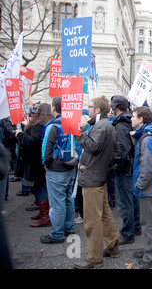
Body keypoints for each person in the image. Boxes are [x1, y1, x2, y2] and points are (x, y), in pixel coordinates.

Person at [73, 96, 120, 269]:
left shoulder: (101, 126)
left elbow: (92, 146)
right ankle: (113, 246)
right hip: (98, 175)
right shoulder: (105, 125)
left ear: (98, 110)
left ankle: (94, 258)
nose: (88, 109)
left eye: (90, 107)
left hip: (93, 177)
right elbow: (116, 152)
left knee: (92, 220)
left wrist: (77, 133)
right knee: (105, 213)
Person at [130, 106, 152, 269]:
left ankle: (151, 256)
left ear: (141, 119)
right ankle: (149, 250)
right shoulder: (147, 135)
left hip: (148, 187)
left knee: (149, 222)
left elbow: (148, 166)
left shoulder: (147, 138)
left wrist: (139, 185)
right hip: (149, 185)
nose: (131, 119)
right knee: (148, 221)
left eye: (133, 116)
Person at [40, 96, 77, 244]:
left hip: (56, 168)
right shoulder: (72, 123)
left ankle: (57, 234)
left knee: (57, 202)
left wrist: (46, 164)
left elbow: (46, 149)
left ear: (54, 108)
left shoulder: (53, 126)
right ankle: (69, 227)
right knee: (68, 198)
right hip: (71, 165)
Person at [15, 103, 53, 227]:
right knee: (38, 187)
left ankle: (45, 216)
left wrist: (19, 135)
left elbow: (33, 141)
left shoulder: (39, 125)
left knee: (40, 187)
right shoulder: (44, 124)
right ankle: (43, 213)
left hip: (35, 162)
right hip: (38, 161)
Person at [110, 95, 141, 245]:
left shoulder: (121, 125)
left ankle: (128, 233)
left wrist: (117, 166)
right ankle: (136, 227)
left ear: (115, 108)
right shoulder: (129, 122)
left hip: (125, 168)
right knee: (132, 199)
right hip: (131, 166)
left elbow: (122, 150)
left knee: (125, 202)